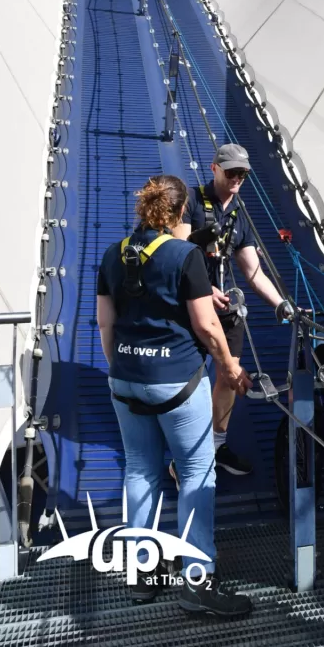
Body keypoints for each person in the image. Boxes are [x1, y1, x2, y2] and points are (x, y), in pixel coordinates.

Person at [97, 175, 253, 617]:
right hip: (178, 384)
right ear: (183, 212)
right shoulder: (186, 256)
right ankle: (197, 581)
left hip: (125, 381)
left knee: (141, 470)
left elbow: (106, 325)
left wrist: (121, 368)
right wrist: (228, 365)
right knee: (197, 472)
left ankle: (141, 573)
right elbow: (205, 326)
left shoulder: (114, 254)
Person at [177, 144, 289, 478]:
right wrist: (204, 290)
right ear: (214, 169)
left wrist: (282, 304)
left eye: (243, 174)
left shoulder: (240, 217)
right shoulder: (191, 202)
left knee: (229, 374)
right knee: (189, 379)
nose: (238, 179)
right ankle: (184, 452)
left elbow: (254, 274)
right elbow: (177, 253)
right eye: (232, 172)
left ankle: (215, 445)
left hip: (225, 307)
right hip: (193, 304)